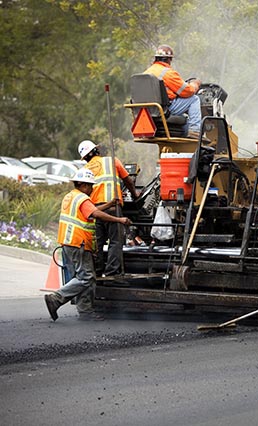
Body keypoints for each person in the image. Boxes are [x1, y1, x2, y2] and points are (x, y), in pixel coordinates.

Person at [44, 169, 132, 321]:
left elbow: (92, 210)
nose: (92, 189)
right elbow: (95, 214)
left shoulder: (71, 196)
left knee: (86, 277)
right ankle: (56, 298)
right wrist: (119, 220)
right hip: (78, 242)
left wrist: (110, 204)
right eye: (90, 186)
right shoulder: (82, 198)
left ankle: (86, 312)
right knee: (86, 277)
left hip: (69, 242)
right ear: (83, 185)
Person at [78, 140, 139, 276]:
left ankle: (98, 272)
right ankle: (112, 273)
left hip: (96, 211)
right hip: (113, 208)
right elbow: (128, 181)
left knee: (98, 243)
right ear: (97, 151)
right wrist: (135, 195)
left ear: (85, 158)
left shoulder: (84, 171)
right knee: (115, 241)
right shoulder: (113, 161)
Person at [144, 44, 202, 139]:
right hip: (164, 110)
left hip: (149, 111)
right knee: (194, 99)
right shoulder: (167, 73)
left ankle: (186, 132)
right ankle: (195, 131)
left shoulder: (147, 72)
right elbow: (188, 91)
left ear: (156, 58)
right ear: (169, 59)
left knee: (186, 119)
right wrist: (195, 84)